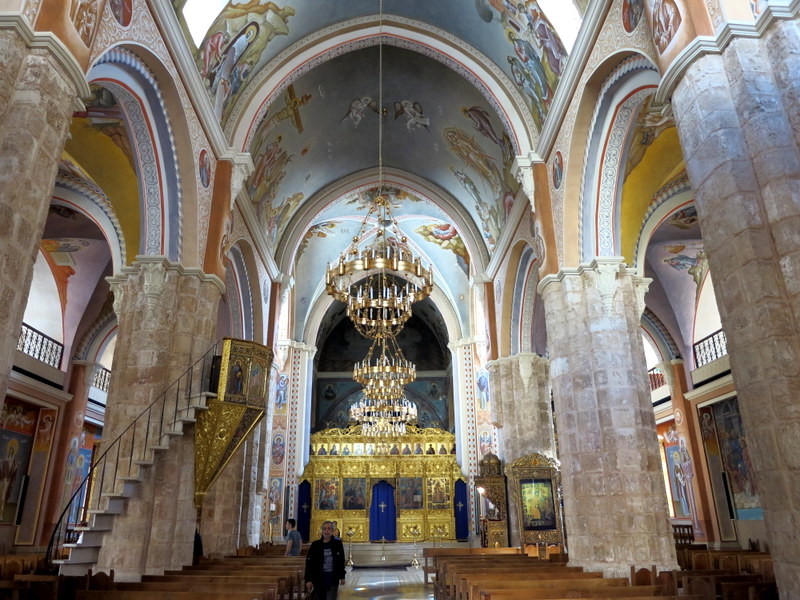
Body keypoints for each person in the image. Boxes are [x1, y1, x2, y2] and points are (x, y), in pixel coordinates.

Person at [304, 520, 346, 599]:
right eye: (325, 529)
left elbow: (341, 561)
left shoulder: (338, 544)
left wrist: (342, 576)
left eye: (329, 529)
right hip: (318, 579)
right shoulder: (315, 544)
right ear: (322, 530)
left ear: (333, 531)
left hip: (332, 578)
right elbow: (309, 563)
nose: (327, 531)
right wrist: (308, 579)